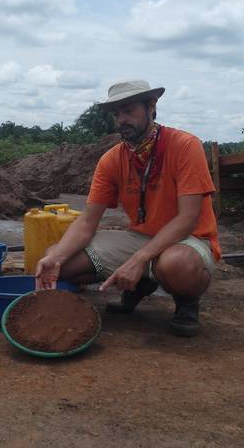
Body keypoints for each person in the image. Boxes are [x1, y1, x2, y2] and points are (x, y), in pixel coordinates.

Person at [34, 80, 221, 337]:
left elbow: (187, 219)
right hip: (141, 238)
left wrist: (139, 259)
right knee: (58, 257)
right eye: (117, 113)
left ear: (152, 106)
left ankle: (186, 303)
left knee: (177, 264)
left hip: (188, 240)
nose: (122, 119)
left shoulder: (185, 146)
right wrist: (55, 259)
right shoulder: (112, 160)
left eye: (129, 110)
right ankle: (141, 283)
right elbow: (88, 221)